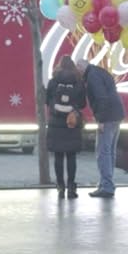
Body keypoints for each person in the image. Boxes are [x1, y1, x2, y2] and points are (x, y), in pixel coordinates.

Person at [84, 59, 125, 199]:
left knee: (103, 152)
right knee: (110, 152)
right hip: (117, 114)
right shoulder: (100, 72)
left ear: (80, 67)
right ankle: (106, 184)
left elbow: (101, 97)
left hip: (107, 117)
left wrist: (100, 119)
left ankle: (106, 186)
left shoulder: (92, 76)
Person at [46, 56, 86, 199]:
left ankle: (60, 187)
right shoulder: (78, 82)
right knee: (71, 156)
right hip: (72, 124)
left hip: (55, 123)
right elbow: (82, 103)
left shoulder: (53, 81)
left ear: (60, 65)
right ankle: (71, 187)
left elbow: (47, 100)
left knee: (58, 156)